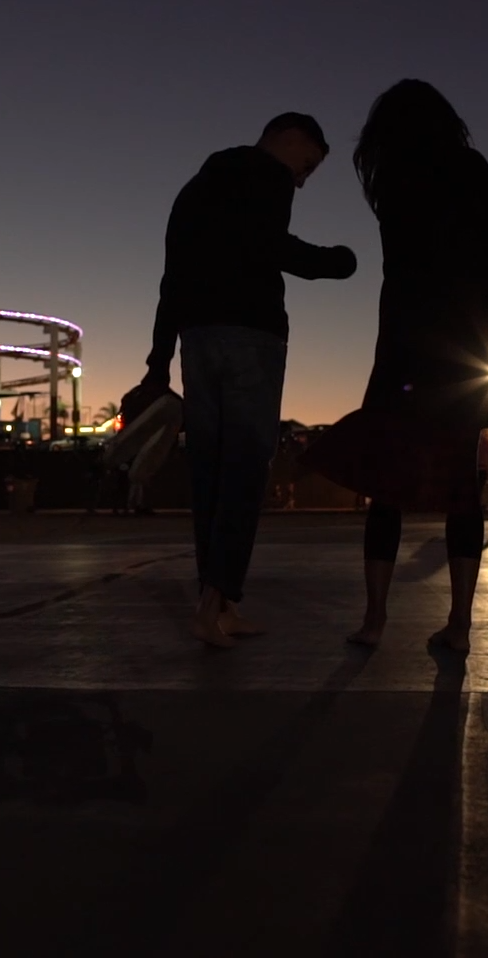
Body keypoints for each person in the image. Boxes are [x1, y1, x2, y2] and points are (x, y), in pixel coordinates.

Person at [304, 80, 488, 655]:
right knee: (461, 490)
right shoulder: (467, 168)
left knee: (386, 488)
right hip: (460, 355)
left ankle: (374, 620)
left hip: (401, 352)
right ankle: (459, 625)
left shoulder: (392, 184)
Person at [137, 113, 358, 648]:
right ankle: (212, 605)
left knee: (210, 474)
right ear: (288, 138)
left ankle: (220, 604)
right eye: (306, 166)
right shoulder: (268, 174)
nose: (301, 181)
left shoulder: (194, 190)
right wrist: (337, 262)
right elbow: (269, 245)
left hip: (197, 340)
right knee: (244, 469)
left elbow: (171, 279)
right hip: (251, 337)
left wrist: (158, 362)